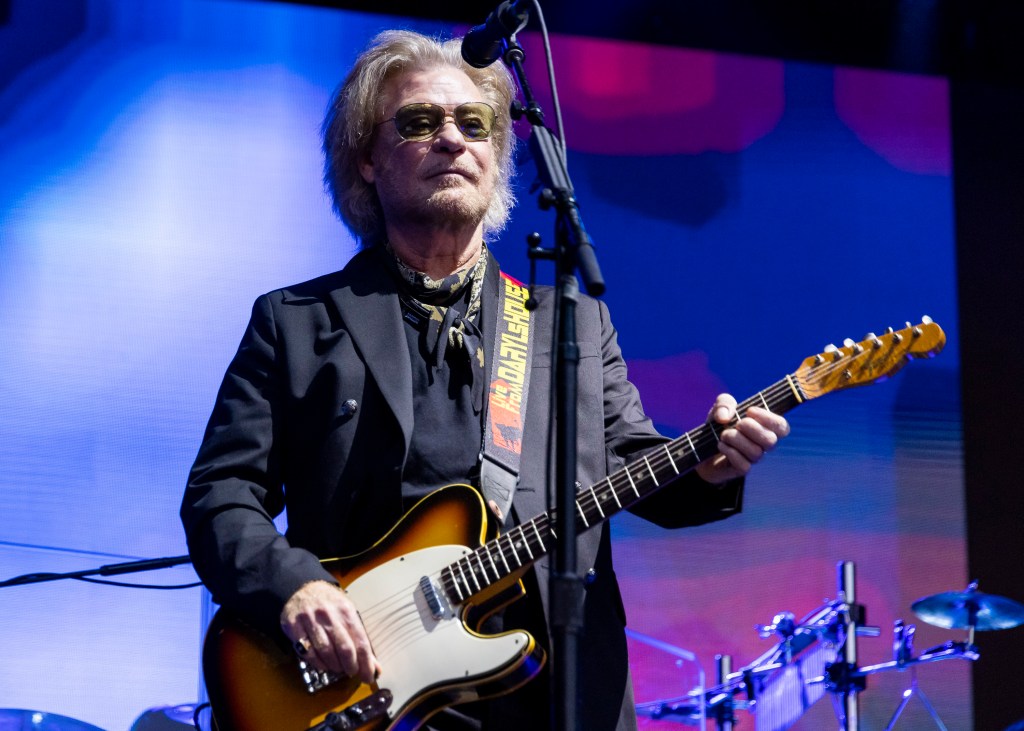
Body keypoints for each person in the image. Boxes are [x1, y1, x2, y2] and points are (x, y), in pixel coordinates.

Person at [180, 29, 790, 731]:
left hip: (550, 697)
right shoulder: (296, 324)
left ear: (499, 156)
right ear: (367, 160)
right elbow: (220, 494)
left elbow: (631, 464)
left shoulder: (572, 325)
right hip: (360, 692)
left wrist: (709, 463)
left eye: (474, 124)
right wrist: (293, 588)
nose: (452, 139)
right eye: (420, 121)